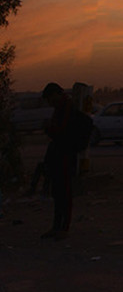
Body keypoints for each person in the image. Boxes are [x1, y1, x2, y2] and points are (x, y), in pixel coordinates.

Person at [39, 82, 91, 240]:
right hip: (60, 155)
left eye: (50, 98)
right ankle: (57, 226)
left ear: (56, 94)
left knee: (64, 192)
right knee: (58, 193)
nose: (50, 102)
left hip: (66, 155)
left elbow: (62, 132)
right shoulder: (61, 108)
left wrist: (49, 128)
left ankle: (63, 228)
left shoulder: (67, 109)